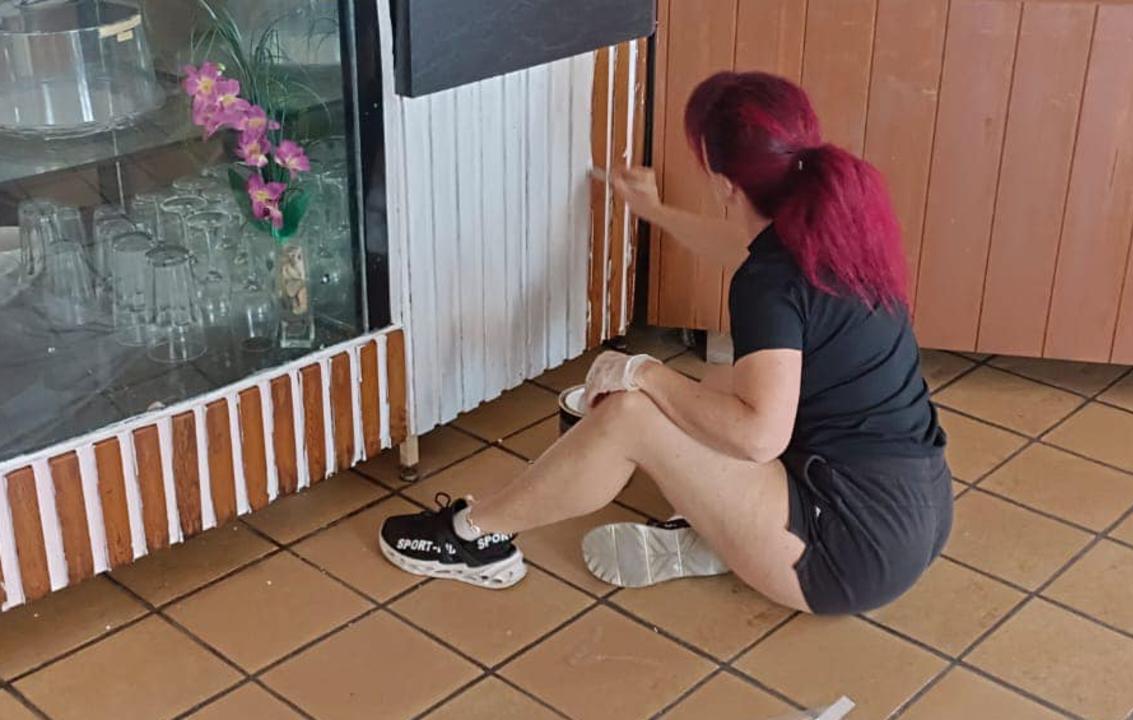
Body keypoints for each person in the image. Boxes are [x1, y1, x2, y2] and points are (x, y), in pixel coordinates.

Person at [379, 71, 950, 615]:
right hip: (913, 515)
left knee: (631, 415)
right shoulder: (835, 226)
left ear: (725, 184)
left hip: (845, 554)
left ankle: (474, 536)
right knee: (727, 366)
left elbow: (758, 437)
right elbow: (744, 251)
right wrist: (652, 211)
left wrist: (645, 374)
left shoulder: (770, 283)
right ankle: (713, 530)